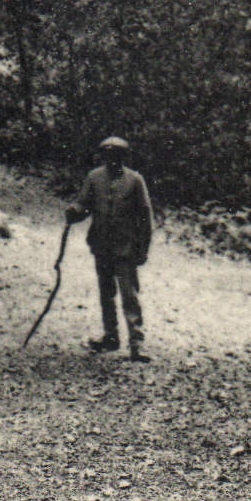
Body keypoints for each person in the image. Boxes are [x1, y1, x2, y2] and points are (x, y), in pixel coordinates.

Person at [65, 136, 154, 362]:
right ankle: (110, 337)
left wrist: (143, 248)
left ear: (124, 157)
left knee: (129, 296)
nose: (112, 159)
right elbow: (84, 204)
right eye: (108, 155)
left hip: (126, 249)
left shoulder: (135, 180)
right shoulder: (94, 177)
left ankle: (137, 343)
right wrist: (75, 211)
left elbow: (145, 216)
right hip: (101, 245)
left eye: (117, 155)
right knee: (106, 294)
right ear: (103, 156)